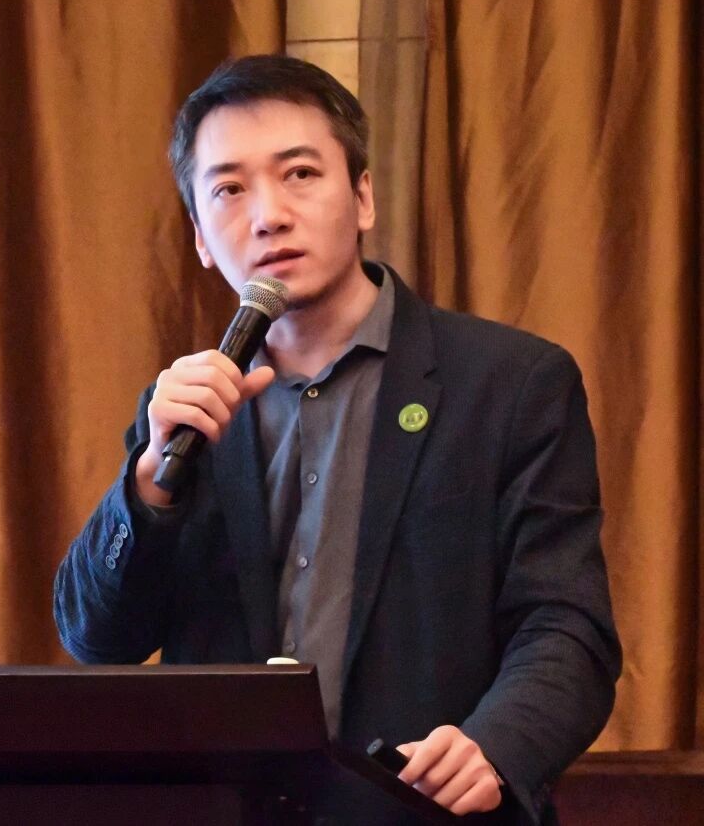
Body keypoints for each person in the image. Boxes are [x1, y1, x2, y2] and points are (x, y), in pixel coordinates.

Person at [53, 54, 620, 824]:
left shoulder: (511, 383)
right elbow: (97, 637)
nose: (268, 216)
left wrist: (498, 744)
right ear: (199, 237)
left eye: (299, 174)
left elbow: (567, 624)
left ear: (362, 197)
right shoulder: (185, 409)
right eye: (228, 189)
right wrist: (149, 482)